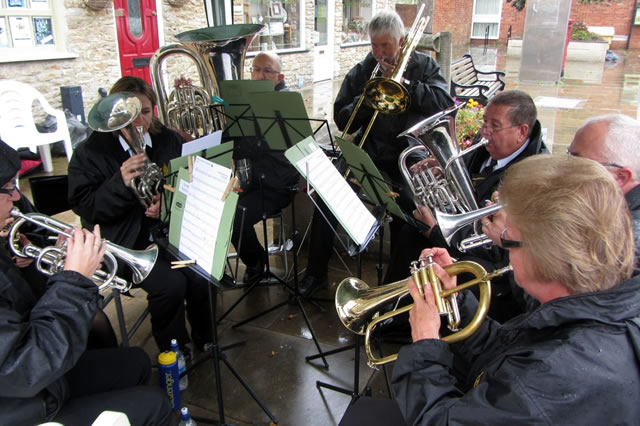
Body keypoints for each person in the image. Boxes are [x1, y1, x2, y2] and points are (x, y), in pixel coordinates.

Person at [343, 154, 640, 425]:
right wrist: (455, 299)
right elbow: (507, 351)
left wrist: (424, 344)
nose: (504, 244)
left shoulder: (555, 376)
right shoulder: (590, 306)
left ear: (543, 254)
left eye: (509, 237)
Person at [0, 140, 172, 425]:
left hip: (36, 380)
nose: (17, 195)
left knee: (137, 362)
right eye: (7, 187)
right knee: (157, 405)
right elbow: (28, 365)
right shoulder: (90, 153)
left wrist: (48, 256)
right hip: (24, 405)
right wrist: (73, 280)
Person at [300, 9, 454, 294]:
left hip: (407, 156)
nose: (380, 52)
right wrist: (368, 97)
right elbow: (342, 118)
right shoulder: (363, 70)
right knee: (326, 195)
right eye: (375, 45)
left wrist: (406, 85)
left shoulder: (423, 66)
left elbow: (444, 103)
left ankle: (397, 286)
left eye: (386, 45)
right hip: (367, 152)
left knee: (408, 212)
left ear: (401, 41)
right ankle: (315, 274)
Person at [68, 76, 212, 353]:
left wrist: (166, 202)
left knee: (200, 272)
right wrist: (119, 183)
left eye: (145, 112)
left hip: (167, 232)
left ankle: (206, 337)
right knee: (170, 285)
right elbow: (86, 207)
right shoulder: (89, 153)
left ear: (153, 110)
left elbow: (188, 181)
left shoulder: (167, 139)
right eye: (129, 114)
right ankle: (175, 350)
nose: (138, 122)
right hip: (125, 242)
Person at [385, 89, 547, 322]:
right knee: (407, 228)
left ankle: (413, 319)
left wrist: (437, 232)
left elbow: (495, 249)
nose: (484, 132)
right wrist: (441, 170)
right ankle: (396, 311)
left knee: (419, 242)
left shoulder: (530, 176)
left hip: (493, 266)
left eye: (494, 126)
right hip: (462, 239)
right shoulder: (485, 152)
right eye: (484, 122)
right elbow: (461, 194)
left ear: (521, 132)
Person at [228, 52, 299, 284]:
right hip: (250, 181)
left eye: (267, 71)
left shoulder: (287, 105)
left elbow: (290, 147)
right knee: (220, 210)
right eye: (256, 70)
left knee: (237, 216)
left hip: (277, 185)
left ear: (280, 77)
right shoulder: (243, 101)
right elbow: (231, 144)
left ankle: (257, 262)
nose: (259, 76)